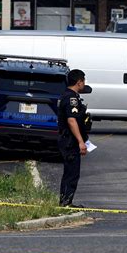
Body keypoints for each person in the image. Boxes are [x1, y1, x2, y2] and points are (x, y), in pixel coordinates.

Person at [57, 69, 90, 208]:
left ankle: (65, 201)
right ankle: (66, 202)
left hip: (68, 139)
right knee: (72, 173)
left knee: (69, 172)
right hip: (70, 141)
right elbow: (72, 120)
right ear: (79, 82)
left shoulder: (66, 95)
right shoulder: (71, 99)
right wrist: (81, 142)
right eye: (83, 81)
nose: (84, 84)